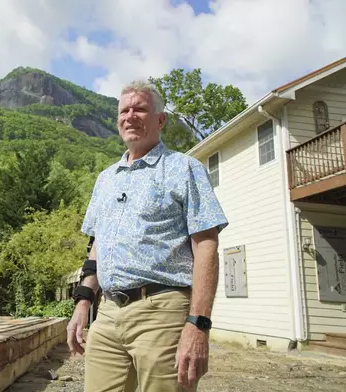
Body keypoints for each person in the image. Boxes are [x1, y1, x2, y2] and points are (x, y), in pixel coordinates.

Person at [67, 80, 228, 392]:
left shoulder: (184, 168)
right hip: (109, 312)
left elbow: (207, 245)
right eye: (124, 110)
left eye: (140, 108)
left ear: (160, 120)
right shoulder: (105, 179)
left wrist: (199, 325)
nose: (131, 116)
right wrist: (83, 301)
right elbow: (99, 245)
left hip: (163, 311)